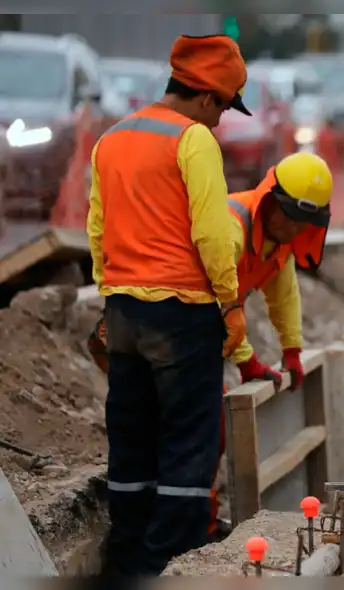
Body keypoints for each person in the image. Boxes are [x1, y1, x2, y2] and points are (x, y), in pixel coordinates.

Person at [87, 151, 332, 544]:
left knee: (199, 432)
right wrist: (247, 360)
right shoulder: (231, 226)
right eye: (290, 217)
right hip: (152, 330)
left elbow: (283, 293)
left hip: (182, 337)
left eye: (305, 223)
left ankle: (190, 528)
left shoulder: (280, 241)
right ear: (271, 200)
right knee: (190, 431)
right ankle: (169, 537)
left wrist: (292, 349)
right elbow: (217, 298)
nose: (293, 228)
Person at [87, 35, 251, 576]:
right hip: (182, 314)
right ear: (206, 97)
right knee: (187, 445)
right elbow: (211, 233)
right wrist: (229, 303)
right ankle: (167, 567)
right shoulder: (193, 139)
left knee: (132, 438)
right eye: (224, 107)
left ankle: (126, 561)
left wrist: (108, 295)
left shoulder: (111, 138)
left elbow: (97, 228)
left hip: (124, 311)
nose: (222, 121)